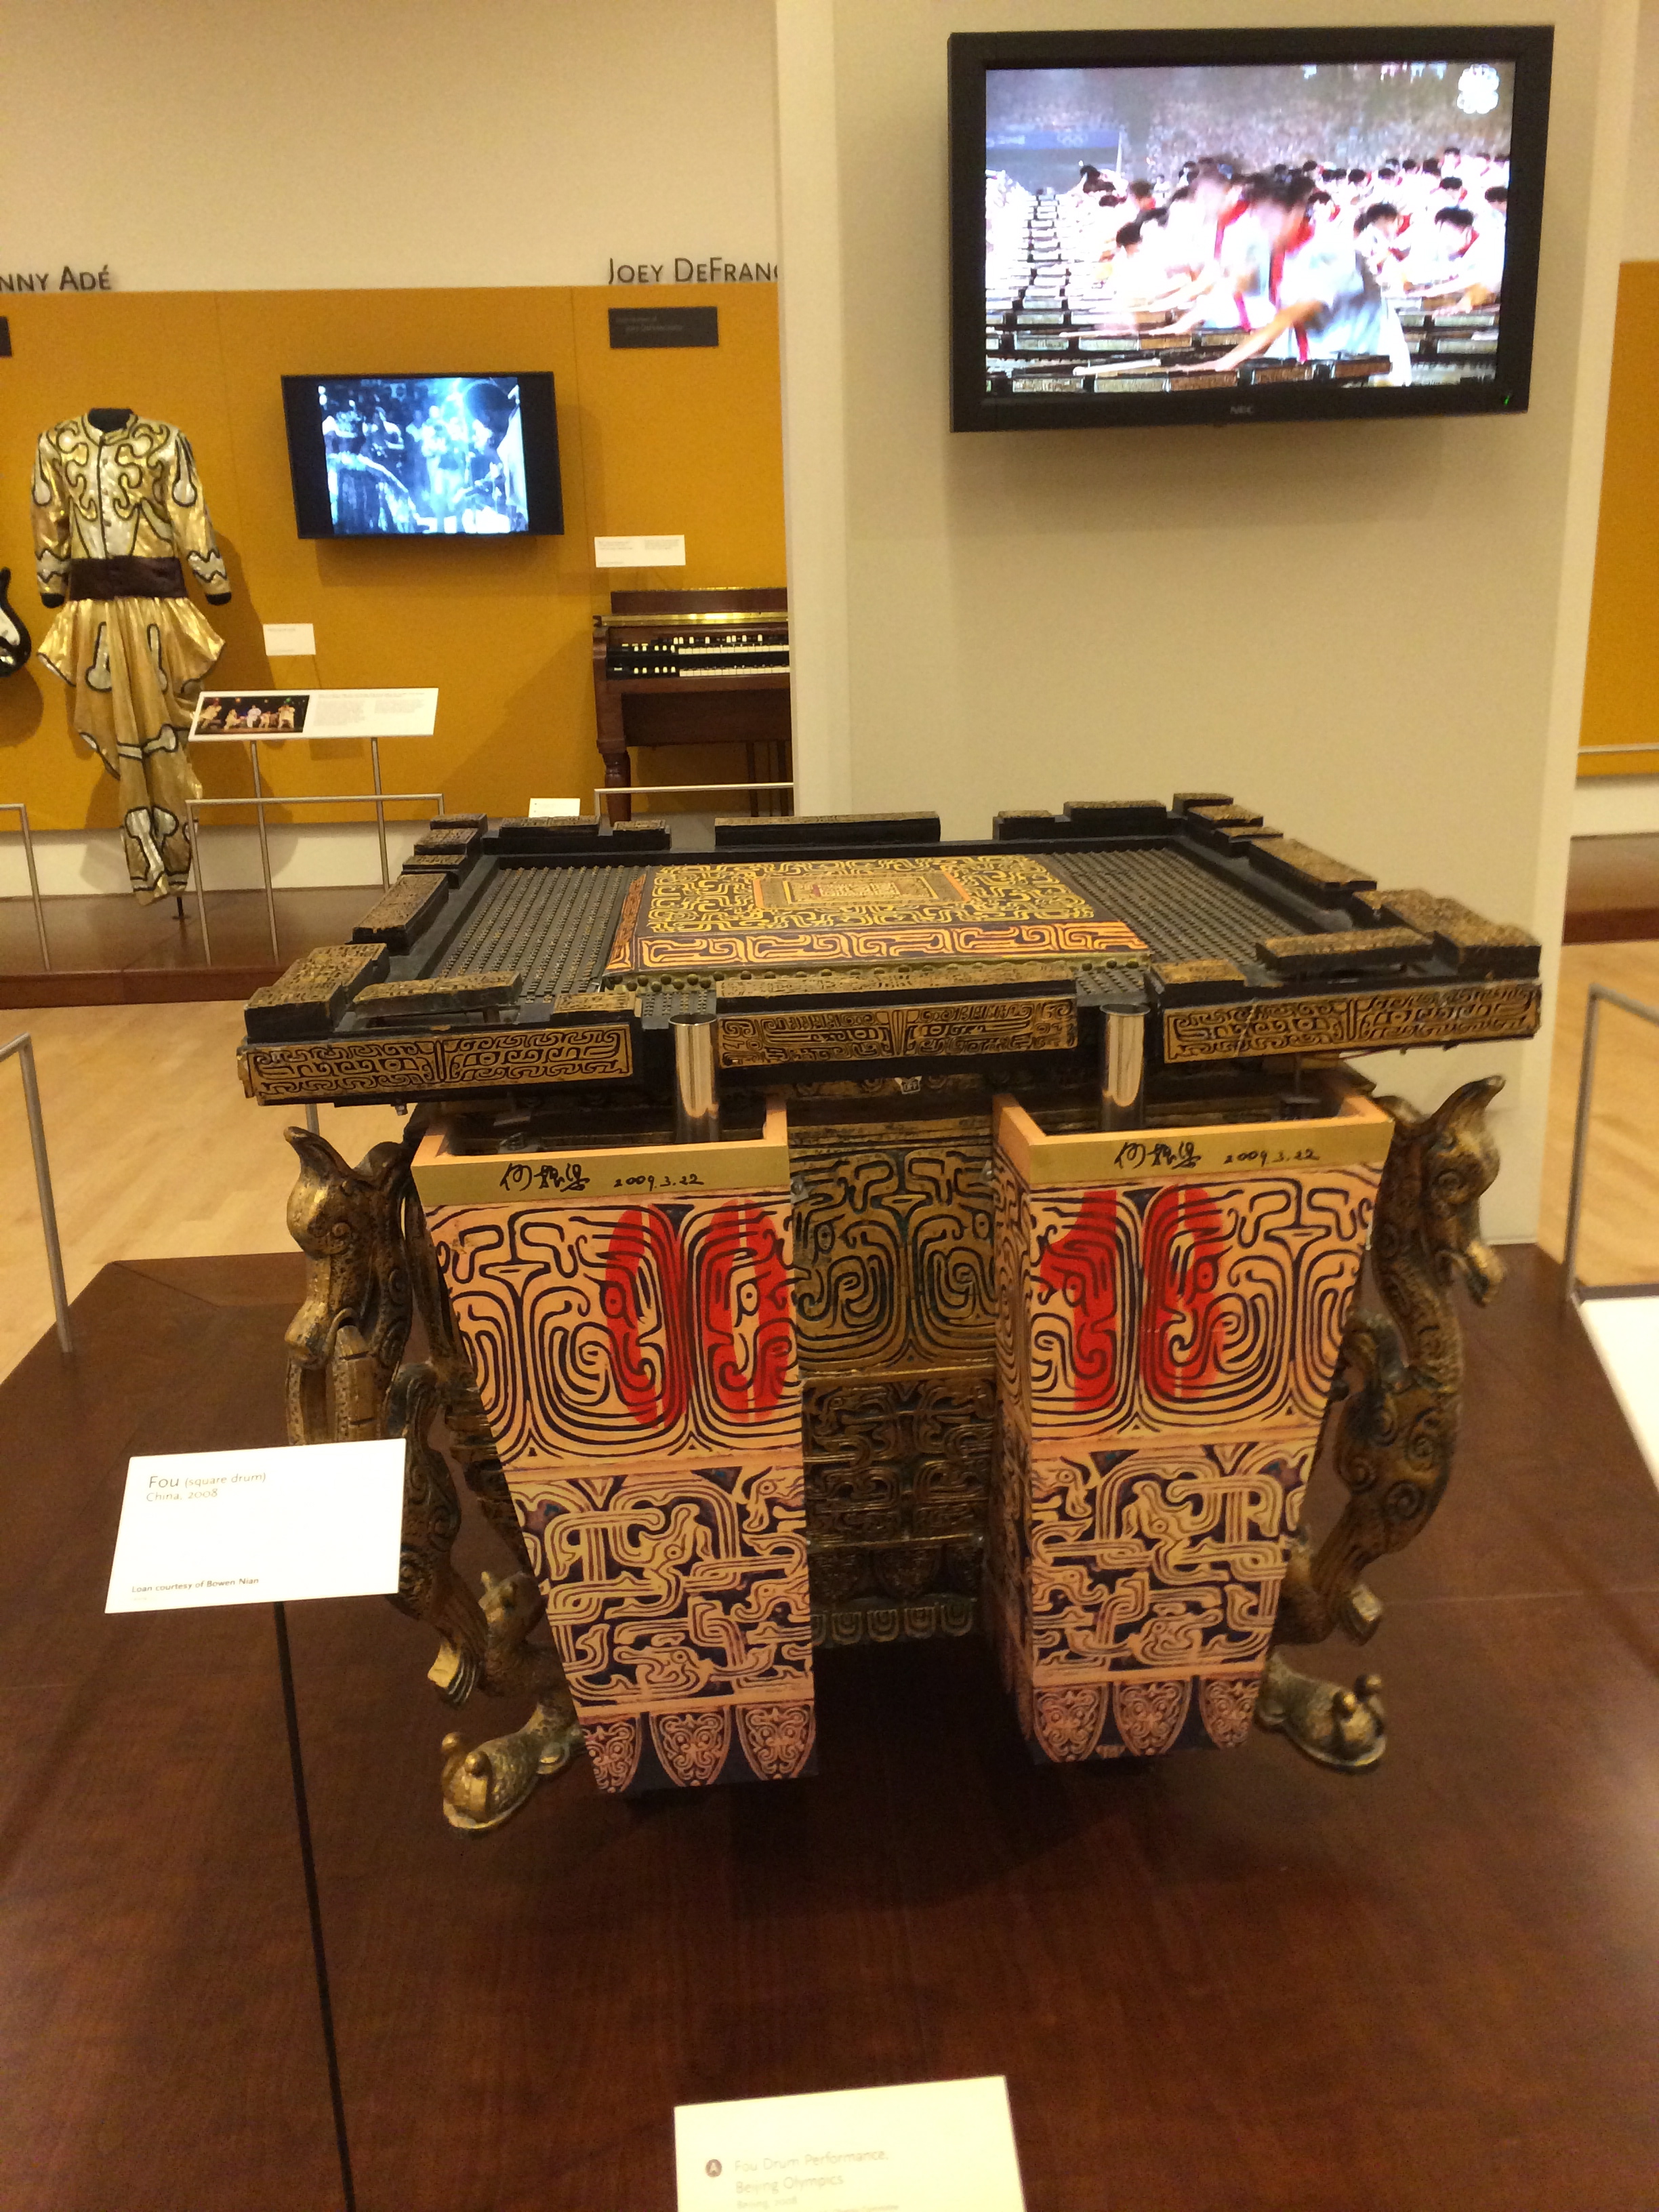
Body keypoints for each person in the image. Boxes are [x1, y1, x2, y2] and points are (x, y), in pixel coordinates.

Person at [1185, 168, 1410, 384]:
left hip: (1370, 358)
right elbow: (1234, 284)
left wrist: (1226, 362)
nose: (1264, 228)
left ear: (1296, 212)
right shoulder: (1272, 252)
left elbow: (1291, 314)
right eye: (1260, 220)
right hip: (1319, 356)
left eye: (1269, 219)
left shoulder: (1332, 249)